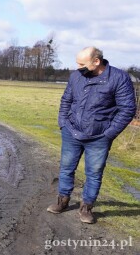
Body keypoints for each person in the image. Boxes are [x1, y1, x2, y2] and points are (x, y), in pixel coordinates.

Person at [47, 47, 137, 223]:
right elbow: (66, 100)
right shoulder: (76, 76)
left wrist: (109, 133)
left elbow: (127, 109)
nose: (77, 67)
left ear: (96, 61)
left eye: (82, 64)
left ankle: (86, 208)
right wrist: (63, 122)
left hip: (99, 137)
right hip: (71, 131)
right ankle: (62, 201)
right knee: (66, 168)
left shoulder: (119, 78)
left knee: (94, 173)